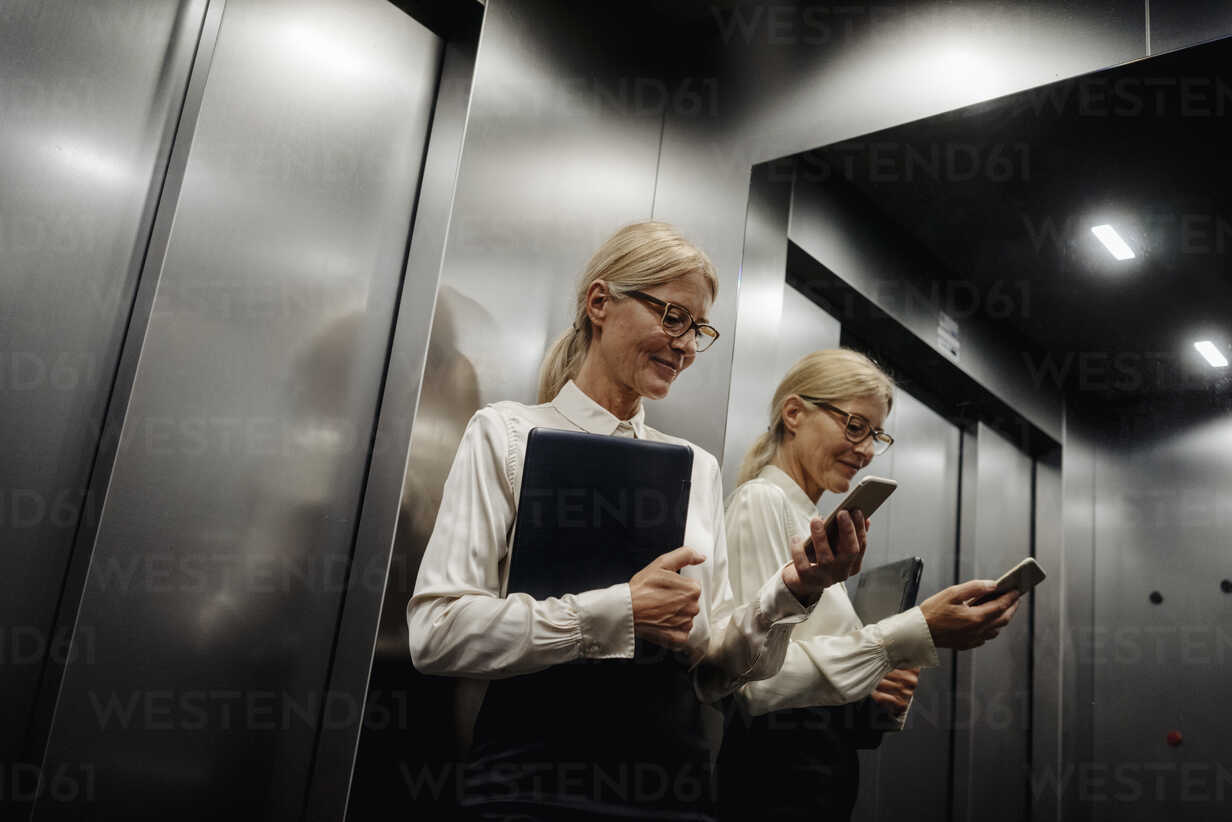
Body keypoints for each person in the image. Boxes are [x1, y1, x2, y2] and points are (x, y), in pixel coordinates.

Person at [407, 223, 870, 821]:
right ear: (600, 303)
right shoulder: (507, 434)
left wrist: (793, 590)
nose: (684, 345)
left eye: (697, 329)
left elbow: (713, 668)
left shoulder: (698, 470)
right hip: (533, 781)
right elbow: (437, 630)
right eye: (672, 316)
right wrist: (619, 610)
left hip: (673, 787)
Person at [716, 349, 1022, 821]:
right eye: (855, 426)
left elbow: (805, 674)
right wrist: (911, 633)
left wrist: (870, 695)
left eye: (876, 435)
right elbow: (754, 684)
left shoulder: (812, 523)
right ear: (794, 413)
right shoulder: (762, 500)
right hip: (774, 785)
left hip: (812, 779)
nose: (865, 450)